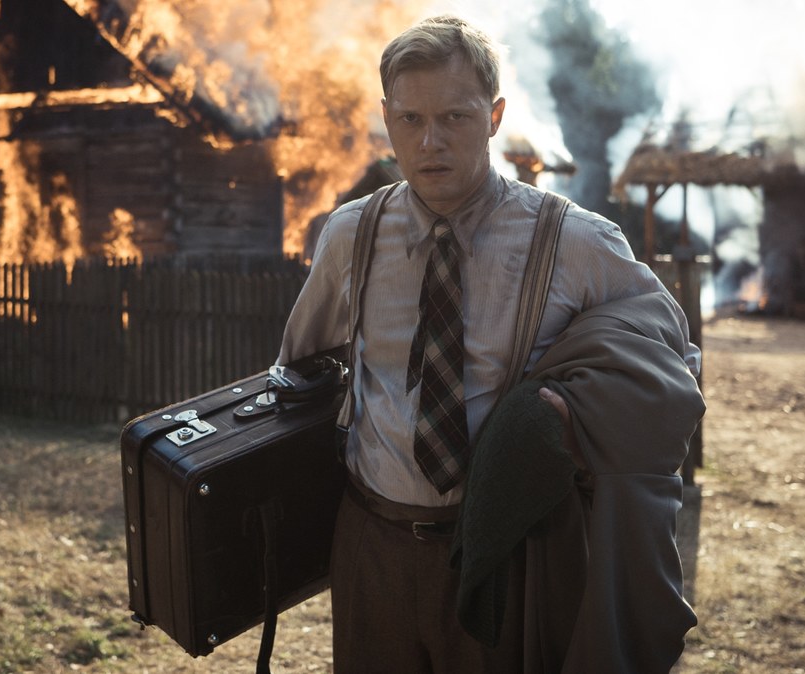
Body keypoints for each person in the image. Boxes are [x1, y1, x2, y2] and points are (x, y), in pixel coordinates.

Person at [277, 14, 703, 674]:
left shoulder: (572, 240)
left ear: (495, 116)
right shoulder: (349, 236)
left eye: (455, 117)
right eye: (412, 120)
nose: (432, 141)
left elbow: (668, 360)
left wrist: (573, 413)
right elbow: (299, 369)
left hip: (507, 554)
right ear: (387, 120)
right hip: (371, 546)